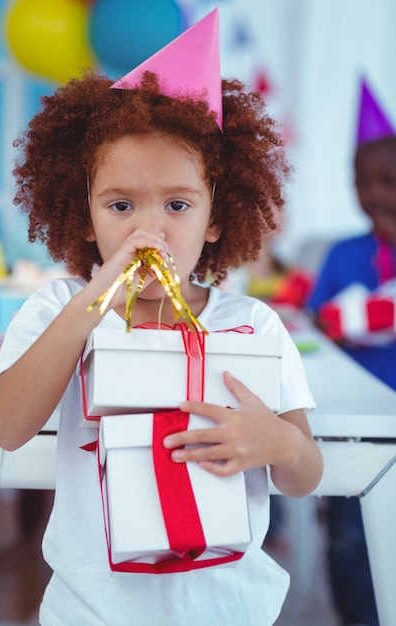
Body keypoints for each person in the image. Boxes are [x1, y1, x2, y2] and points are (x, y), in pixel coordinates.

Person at [0, 10, 323, 626]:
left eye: (177, 203)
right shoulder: (61, 310)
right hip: (89, 611)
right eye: (121, 204)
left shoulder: (253, 324)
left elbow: (304, 473)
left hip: (230, 610)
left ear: (215, 218)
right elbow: (7, 427)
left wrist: (277, 443)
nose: (150, 229)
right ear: (86, 218)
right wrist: (94, 303)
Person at [305, 77, 396, 626]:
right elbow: (317, 324)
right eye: (363, 183)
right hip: (352, 424)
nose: (375, 194)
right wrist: (344, 318)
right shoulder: (344, 254)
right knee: (351, 537)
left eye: (389, 181)